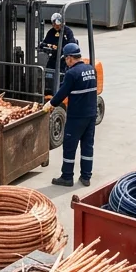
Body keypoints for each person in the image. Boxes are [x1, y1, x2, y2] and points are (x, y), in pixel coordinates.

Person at [43, 42, 97, 188]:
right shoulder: (91, 69)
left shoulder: (71, 73)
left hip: (76, 116)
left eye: (66, 59)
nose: (66, 62)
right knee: (87, 146)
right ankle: (86, 177)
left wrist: (50, 104)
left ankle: (67, 177)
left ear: (70, 58)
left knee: (69, 146)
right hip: (91, 115)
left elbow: (62, 93)